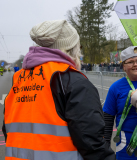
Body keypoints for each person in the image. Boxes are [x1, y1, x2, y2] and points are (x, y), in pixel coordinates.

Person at [2, 20, 115, 160]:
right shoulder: (71, 79)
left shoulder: (19, 79)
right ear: (70, 49)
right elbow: (93, 144)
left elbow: (8, 129)